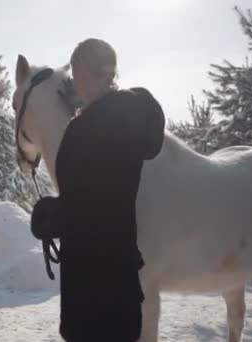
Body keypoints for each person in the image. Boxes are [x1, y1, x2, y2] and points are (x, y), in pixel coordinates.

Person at [31, 38, 165, 341]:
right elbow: (103, 194)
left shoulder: (89, 128)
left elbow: (87, 203)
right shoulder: (128, 121)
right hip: (120, 267)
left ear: (98, 74)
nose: (74, 82)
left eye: (77, 72)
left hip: (91, 274)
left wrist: (49, 215)